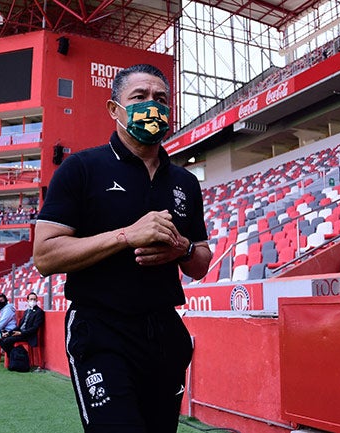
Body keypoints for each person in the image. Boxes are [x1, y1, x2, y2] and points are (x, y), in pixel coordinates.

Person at [34, 63, 212, 433]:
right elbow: (45, 255)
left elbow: (201, 263)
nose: (153, 106)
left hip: (164, 331)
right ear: (115, 109)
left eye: (161, 99)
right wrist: (125, 236)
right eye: (140, 97)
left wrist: (180, 248)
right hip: (101, 329)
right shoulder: (81, 169)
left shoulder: (184, 182)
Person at [0, 292, 44, 357]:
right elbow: (19, 326)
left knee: (7, 340)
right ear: (27, 300)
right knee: (1, 337)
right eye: (31, 299)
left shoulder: (39, 312)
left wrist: (21, 333)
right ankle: (14, 356)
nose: (33, 301)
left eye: (34, 299)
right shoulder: (26, 311)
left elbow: (35, 328)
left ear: (37, 300)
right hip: (19, 333)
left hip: (28, 335)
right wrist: (9, 333)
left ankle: (14, 357)